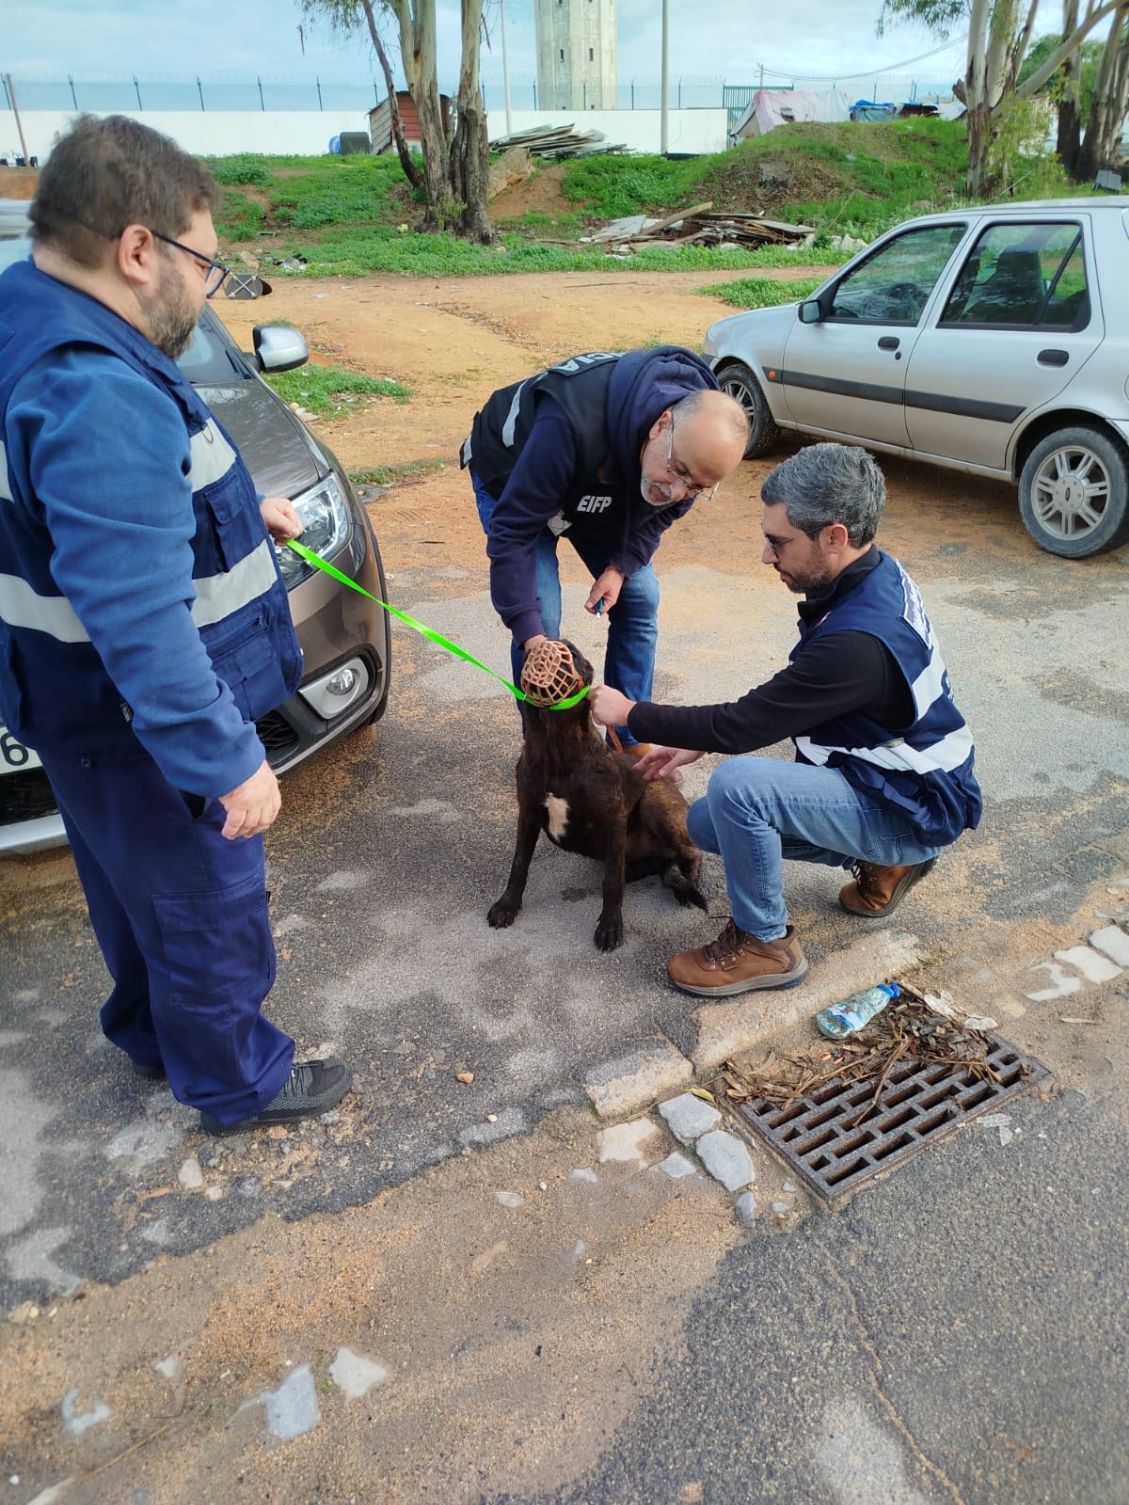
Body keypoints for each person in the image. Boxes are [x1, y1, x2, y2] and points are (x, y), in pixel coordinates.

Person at [0, 116, 352, 1131]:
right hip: (144, 726)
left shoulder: (32, 322)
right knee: (205, 905)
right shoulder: (96, 384)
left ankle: (154, 1037)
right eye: (203, 262)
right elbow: (137, 612)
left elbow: (106, 516)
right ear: (138, 249)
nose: (208, 290)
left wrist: (247, 507)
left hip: (79, 714)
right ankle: (240, 1079)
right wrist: (221, 756)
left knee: (131, 891)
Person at [590, 442, 982, 996]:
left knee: (738, 792)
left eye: (778, 543)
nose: (766, 557)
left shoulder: (858, 641)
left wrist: (632, 712)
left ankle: (765, 943)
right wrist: (697, 742)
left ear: (834, 536)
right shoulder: (873, 576)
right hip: (905, 786)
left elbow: (747, 724)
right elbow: (787, 699)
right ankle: (886, 865)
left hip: (912, 807)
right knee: (705, 824)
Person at [461, 348, 748, 742]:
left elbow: (663, 513)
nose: (677, 490)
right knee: (541, 618)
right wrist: (533, 639)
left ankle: (629, 738)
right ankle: (548, 749)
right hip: (515, 473)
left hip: (596, 486)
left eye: (696, 487)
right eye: (678, 471)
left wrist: (619, 567)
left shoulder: (694, 453)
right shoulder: (571, 422)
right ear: (662, 424)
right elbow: (513, 534)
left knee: (639, 597)